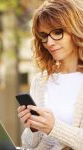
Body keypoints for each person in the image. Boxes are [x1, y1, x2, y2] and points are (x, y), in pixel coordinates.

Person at [17, 0, 83, 149]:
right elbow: (29, 144)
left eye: (57, 32)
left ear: (76, 29)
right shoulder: (40, 81)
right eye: (44, 36)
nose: (49, 42)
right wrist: (32, 127)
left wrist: (54, 127)